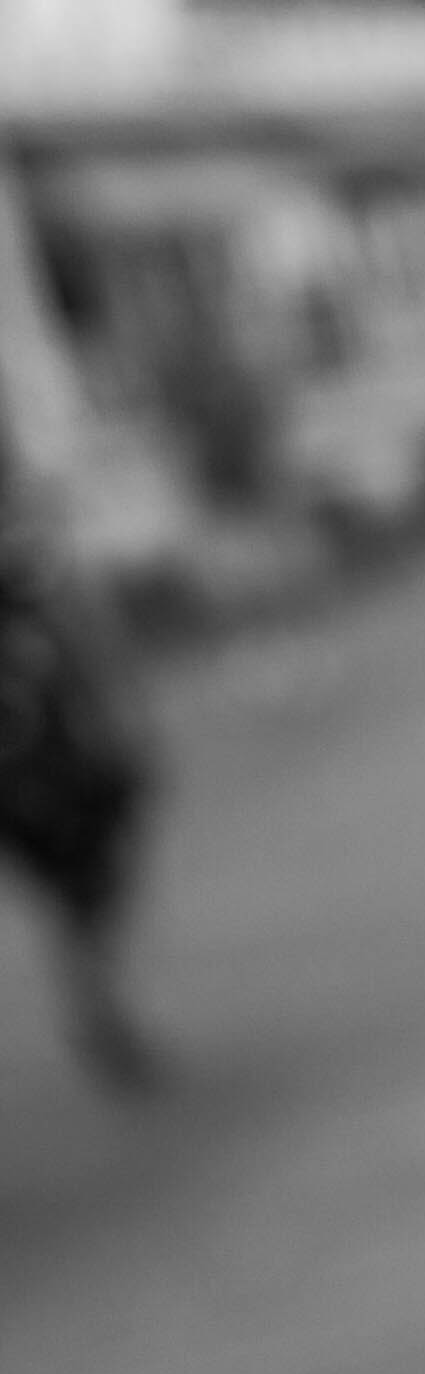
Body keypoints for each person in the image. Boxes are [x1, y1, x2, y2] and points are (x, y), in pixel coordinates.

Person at [0, 449, 166, 1083]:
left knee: (85, 890)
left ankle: (96, 1001)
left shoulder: (36, 568)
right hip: (48, 770)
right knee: (87, 888)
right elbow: (87, 645)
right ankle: (96, 1004)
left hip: (53, 764)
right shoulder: (37, 573)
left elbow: (88, 646)